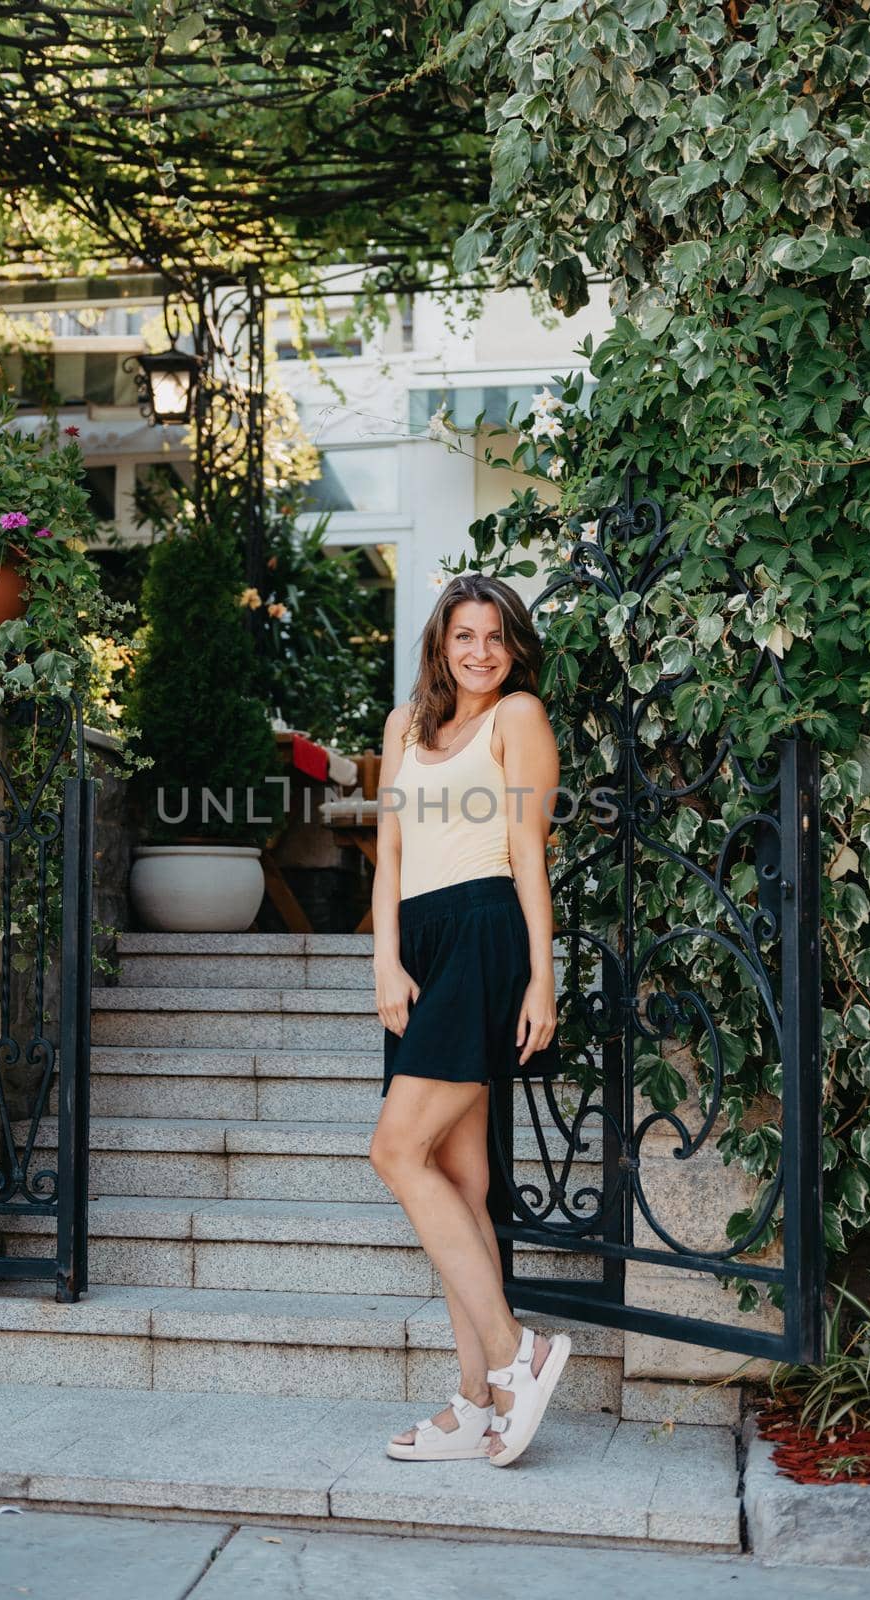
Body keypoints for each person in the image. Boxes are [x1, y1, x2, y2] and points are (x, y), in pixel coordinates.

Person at [369, 571, 569, 1468]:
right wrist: (384, 958)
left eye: (494, 636)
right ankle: (475, 1403)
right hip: (420, 946)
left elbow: (529, 852)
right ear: (440, 645)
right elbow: (390, 856)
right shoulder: (404, 726)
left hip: (487, 931)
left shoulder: (519, 718)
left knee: (394, 1151)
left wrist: (541, 979)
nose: (480, 652)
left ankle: (514, 1351)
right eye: (463, 637)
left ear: (512, 644)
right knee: (459, 1176)